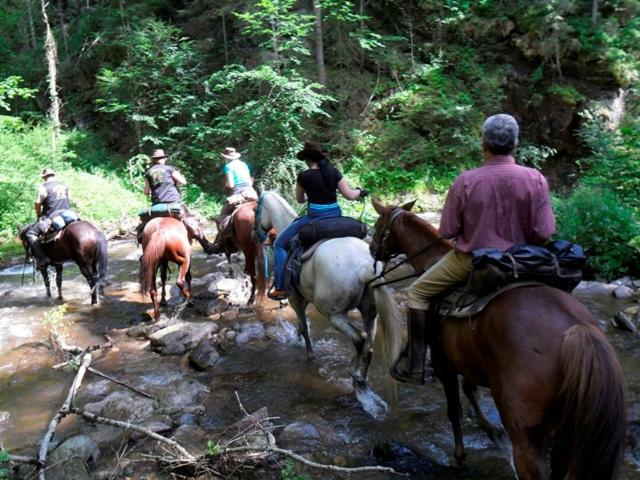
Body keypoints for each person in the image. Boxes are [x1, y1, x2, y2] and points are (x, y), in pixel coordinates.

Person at [391, 113, 556, 384]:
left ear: (484, 144)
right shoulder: (535, 179)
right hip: (524, 262)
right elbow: (544, 232)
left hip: (474, 261)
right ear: (515, 144)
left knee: (417, 293)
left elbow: (446, 232)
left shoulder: (466, 181)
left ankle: (417, 364)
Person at [268, 141, 368, 300]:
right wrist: (360, 191)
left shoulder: (304, 176)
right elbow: (350, 195)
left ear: (307, 159)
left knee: (279, 244)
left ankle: (280, 287)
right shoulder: (333, 172)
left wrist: (311, 194)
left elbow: (300, 200)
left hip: (314, 217)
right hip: (336, 215)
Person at [138, 148, 213, 252]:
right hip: (173, 202)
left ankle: (143, 247)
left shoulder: (148, 173)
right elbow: (183, 182)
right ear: (164, 158)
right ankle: (207, 247)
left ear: (153, 160)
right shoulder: (170, 169)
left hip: (156, 206)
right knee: (192, 224)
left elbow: (146, 192)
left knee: (143, 227)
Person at [23, 168, 78, 267]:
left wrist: (38, 213)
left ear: (44, 177)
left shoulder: (43, 188)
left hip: (52, 216)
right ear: (53, 175)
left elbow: (37, 205)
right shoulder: (64, 186)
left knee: (30, 234)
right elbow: (70, 200)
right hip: (68, 214)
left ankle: (43, 258)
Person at [209, 147, 258, 253]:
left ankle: (223, 242)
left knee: (223, 215)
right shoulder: (244, 164)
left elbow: (231, 185)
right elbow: (250, 181)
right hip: (251, 192)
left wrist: (225, 184)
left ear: (226, 157)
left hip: (238, 193)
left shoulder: (228, 167)